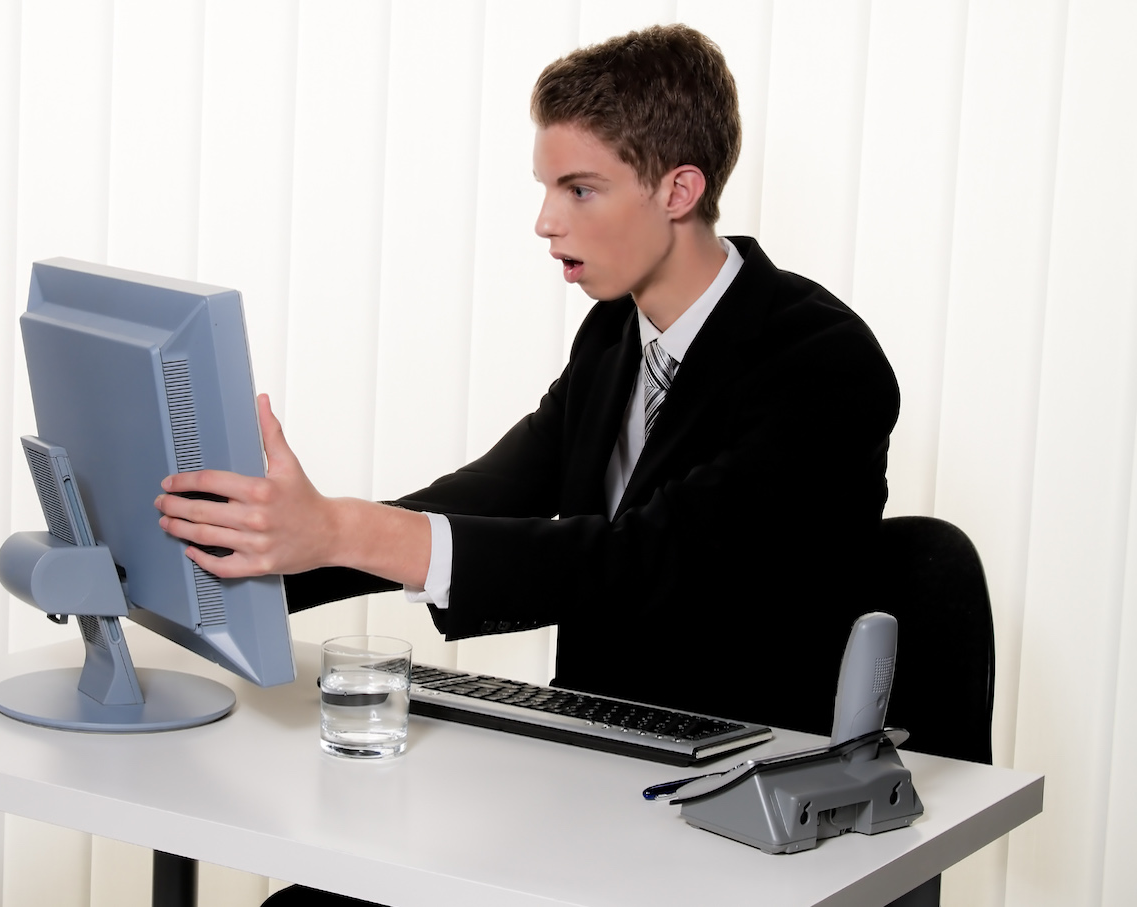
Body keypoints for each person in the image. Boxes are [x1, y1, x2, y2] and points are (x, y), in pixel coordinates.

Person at [154, 23, 898, 905]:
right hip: (593, 783)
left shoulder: (822, 363)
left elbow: (645, 561)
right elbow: (493, 494)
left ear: (678, 189)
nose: (546, 222)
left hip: (737, 813)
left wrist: (342, 527)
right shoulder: (614, 336)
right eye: (548, 187)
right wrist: (245, 556)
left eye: (580, 189)